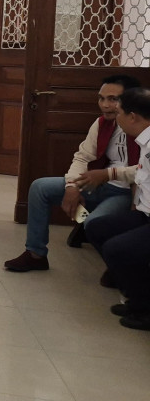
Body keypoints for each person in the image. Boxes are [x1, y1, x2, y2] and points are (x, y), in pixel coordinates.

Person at [4, 76, 141, 273]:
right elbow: (83, 157)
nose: (105, 105)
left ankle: (118, 268)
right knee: (40, 188)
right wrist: (72, 186)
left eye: (113, 99)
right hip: (97, 184)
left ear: (130, 100)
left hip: (125, 193)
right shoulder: (102, 123)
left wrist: (108, 174)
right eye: (101, 98)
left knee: (93, 223)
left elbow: (144, 170)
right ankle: (35, 255)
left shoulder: (142, 127)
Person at [86, 86, 150, 331]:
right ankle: (137, 294)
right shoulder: (144, 140)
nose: (115, 114)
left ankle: (145, 309)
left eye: (120, 111)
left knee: (117, 248)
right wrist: (109, 173)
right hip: (144, 213)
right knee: (98, 228)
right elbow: (139, 172)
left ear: (132, 117)